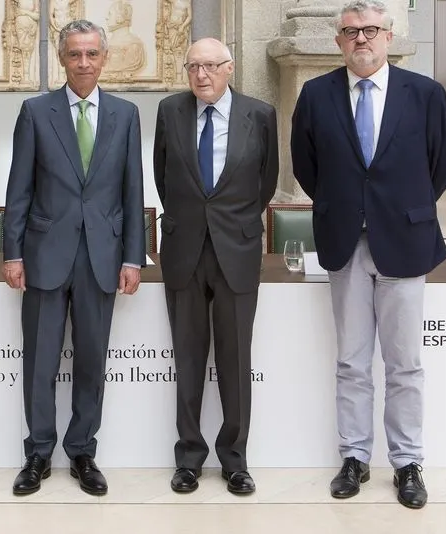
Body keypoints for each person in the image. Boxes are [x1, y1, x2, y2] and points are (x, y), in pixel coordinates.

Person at [291, 0, 446, 510]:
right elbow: (305, 166)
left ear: (387, 36)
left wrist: (396, 209)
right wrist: (348, 206)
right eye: (350, 32)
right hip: (344, 242)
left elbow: (442, 164)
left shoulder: (425, 94)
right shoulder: (316, 94)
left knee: (405, 364)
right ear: (338, 42)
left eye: (369, 30)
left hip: (404, 241)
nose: (360, 39)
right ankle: (355, 457)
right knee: (352, 362)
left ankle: (408, 463)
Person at [2, 19, 145, 497]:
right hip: (44, 254)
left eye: (91, 54)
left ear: (104, 58)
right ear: (61, 59)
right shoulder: (35, 111)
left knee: (90, 361)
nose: (83, 63)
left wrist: (133, 258)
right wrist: (13, 252)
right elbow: (18, 189)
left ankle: (82, 451)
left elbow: (132, 190)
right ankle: (38, 454)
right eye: (74, 55)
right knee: (40, 362)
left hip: (102, 257)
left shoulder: (125, 115)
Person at [153, 38, 278, 496]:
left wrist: (231, 223)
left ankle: (235, 460)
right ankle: (188, 458)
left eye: (210, 66)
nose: (200, 75)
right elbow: (162, 174)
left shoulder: (260, 115)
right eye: (192, 66)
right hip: (185, 249)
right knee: (187, 359)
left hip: (237, 251)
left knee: (235, 359)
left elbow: (267, 181)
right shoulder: (170, 112)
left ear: (230, 68)